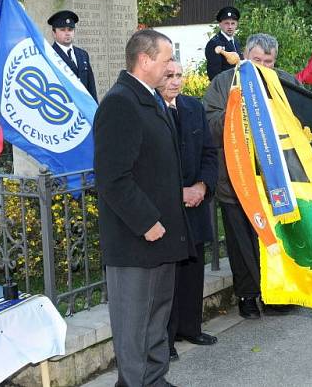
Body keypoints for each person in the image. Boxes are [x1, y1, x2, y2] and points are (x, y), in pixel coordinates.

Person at [94, 29, 191, 387]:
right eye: (166, 60)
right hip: (136, 240)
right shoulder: (120, 102)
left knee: (155, 318)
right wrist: (146, 221)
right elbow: (112, 177)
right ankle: (135, 382)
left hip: (161, 237)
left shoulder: (148, 98)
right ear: (145, 60)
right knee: (133, 325)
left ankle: (154, 379)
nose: (170, 69)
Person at [204, 33, 295, 319]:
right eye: (256, 60)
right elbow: (209, 127)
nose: (262, 67)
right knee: (240, 241)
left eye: (268, 62)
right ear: (244, 55)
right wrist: (238, 108)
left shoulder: (286, 82)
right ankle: (247, 296)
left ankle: (276, 294)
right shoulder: (222, 83)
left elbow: (300, 123)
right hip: (235, 180)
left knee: (274, 240)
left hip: (275, 181)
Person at [158, 59, 219, 362]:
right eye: (169, 75)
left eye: (179, 75)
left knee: (194, 268)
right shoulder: (151, 110)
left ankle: (190, 328)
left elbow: (209, 153)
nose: (175, 81)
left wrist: (202, 187)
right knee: (168, 275)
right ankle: (165, 341)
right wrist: (175, 192)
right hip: (167, 206)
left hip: (195, 202)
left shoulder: (194, 108)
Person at [48, 10, 98, 101]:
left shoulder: (82, 54)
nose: (67, 33)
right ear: (54, 33)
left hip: (84, 107)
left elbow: (91, 86)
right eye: (62, 30)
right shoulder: (49, 55)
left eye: (70, 30)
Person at [205, 6, 243, 80]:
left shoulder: (235, 41)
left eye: (233, 23)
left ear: (236, 24)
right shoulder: (214, 43)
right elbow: (214, 75)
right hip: (224, 88)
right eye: (226, 23)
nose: (230, 27)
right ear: (220, 24)